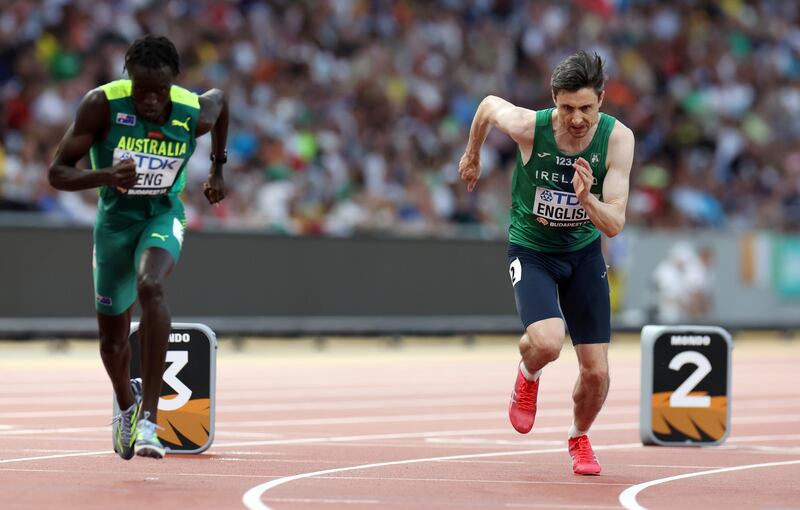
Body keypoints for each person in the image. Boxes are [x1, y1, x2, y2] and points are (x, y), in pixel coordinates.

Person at [47, 35, 228, 460]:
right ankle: (126, 408)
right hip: (114, 224)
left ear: (173, 84)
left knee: (152, 286)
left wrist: (219, 169)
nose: (149, 100)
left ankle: (150, 419)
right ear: (128, 80)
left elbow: (221, 102)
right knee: (112, 342)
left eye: (159, 91)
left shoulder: (191, 110)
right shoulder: (102, 104)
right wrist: (107, 175)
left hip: (161, 215)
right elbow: (57, 173)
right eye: (140, 90)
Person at [458, 51, 635, 475]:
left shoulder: (616, 139)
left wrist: (586, 199)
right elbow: (486, 107)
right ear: (554, 100)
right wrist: (473, 155)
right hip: (532, 250)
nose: (577, 119)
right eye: (568, 108)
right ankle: (528, 374)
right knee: (548, 343)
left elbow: (614, 224)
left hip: (583, 254)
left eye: (587, 109)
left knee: (596, 372)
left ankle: (578, 437)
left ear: (602, 101)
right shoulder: (527, 127)